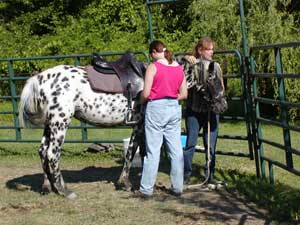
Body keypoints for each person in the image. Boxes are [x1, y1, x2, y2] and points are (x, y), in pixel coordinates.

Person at [137, 40, 188, 198]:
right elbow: (184, 94)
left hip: (156, 109)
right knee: (176, 149)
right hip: (174, 108)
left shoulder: (153, 67)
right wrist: (171, 97)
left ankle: (146, 189)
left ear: (153, 52)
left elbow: (145, 94)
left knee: (153, 150)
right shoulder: (179, 68)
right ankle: (178, 187)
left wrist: (139, 103)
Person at [178, 37, 225, 185]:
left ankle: (209, 174)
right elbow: (173, 61)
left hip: (211, 111)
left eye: (212, 49)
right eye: (208, 49)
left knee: (210, 144)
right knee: (191, 143)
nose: (211, 52)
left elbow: (221, 86)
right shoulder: (189, 63)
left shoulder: (215, 66)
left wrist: (215, 95)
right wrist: (186, 57)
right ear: (200, 50)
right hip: (194, 110)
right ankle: (185, 175)